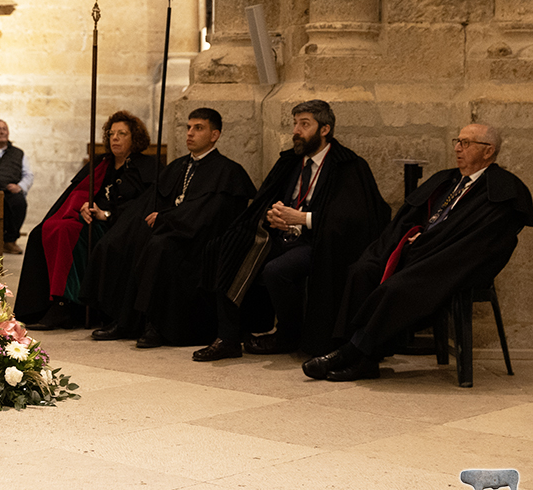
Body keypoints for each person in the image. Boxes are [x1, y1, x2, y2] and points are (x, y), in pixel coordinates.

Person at [304, 124, 533, 382]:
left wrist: (428, 241)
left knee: (395, 288)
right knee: (363, 270)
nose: (457, 147)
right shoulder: (448, 181)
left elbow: (478, 242)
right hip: (420, 253)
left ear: (488, 151)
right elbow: (411, 219)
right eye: (458, 141)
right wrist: (408, 240)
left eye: (466, 143)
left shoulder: (503, 189)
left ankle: (354, 354)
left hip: (454, 263)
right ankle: (359, 354)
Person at [193, 100, 390, 361]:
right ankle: (228, 337)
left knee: (277, 270)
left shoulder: (348, 165)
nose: (296, 130)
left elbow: (355, 218)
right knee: (227, 246)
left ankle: (288, 334)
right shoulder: (290, 162)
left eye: (304, 124)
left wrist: (304, 218)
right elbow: (264, 201)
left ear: (325, 129)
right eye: (295, 123)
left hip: (317, 242)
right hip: (279, 235)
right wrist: (269, 215)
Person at [85, 108, 256, 348]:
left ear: (215, 135)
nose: (190, 133)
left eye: (198, 128)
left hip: (199, 242)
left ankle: (156, 326)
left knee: (158, 246)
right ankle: (125, 319)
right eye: (188, 127)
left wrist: (167, 219)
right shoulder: (178, 166)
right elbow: (150, 202)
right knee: (133, 238)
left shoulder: (227, 171)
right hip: (173, 231)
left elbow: (209, 214)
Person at [14, 110, 155, 330]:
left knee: (69, 232)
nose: (115, 138)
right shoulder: (101, 163)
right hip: (91, 220)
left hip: (120, 227)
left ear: (134, 138)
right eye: (112, 133)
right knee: (47, 229)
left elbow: (140, 206)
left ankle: (67, 305)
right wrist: (85, 207)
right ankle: (42, 305)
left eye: (122, 134)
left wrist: (106, 215)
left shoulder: (145, 167)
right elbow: (80, 192)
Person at [0, 119, 33, 255]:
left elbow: (28, 174)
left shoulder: (18, 153)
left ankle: (10, 241)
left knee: (19, 202)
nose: (2, 131)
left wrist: (20, 186)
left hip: (10, 190)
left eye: (4, 129)